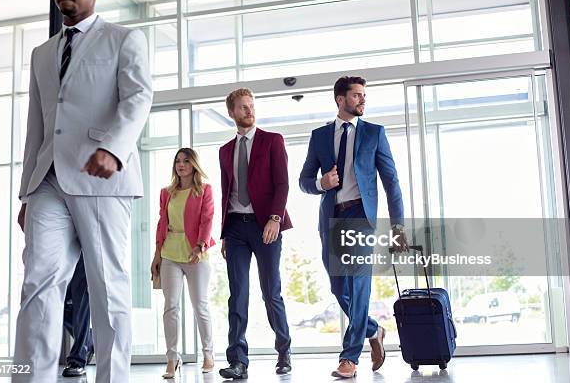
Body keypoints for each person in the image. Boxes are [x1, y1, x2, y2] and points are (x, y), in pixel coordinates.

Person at [13, 0, 152, 381]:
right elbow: (36, 128)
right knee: (38, 285)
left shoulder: (124, 39)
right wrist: (26, 193)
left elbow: (139, 97)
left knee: (107, 287)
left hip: (102, 178)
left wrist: (114, 148)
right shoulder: (41, 54)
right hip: (48, 182)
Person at [299, 76, 408, 378]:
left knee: (359, 285)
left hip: (361, 215)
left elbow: (392, 183)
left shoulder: (374, 133)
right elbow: (304, 181)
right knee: (338, 287)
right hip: (332, 217)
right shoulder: (320, 136)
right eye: (357, 95)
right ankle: (374, 331)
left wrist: (398, 228)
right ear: (340, 99)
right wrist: (321, 183)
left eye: (363, 95)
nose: (362, 100)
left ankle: (349, 357)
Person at [218, 88, 293, 379]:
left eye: (251, 105)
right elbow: (227, 193)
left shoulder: (272, 141)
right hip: (236, 227)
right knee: (237, 294)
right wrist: (225, 234)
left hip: (266, 225)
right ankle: (238, 361)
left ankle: (284, 352)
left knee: (270, 291)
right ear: (232, 113)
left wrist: (275, 218)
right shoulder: (225, 150)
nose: (249, 111)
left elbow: (282, 184)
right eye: (243, 107)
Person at [151, 148, 216, 379]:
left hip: (195, 254)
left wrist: (200, 247)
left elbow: (207, 219)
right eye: (178, 161)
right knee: (171, 306)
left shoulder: (204, 190)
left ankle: (208, 354)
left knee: (200, 305)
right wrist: (157, 254)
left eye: (186, 161)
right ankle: (172, 358)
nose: (181, 165)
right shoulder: (166, 193)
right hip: (170, 253)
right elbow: (161, 223)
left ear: (194, 165)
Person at [61, 254, 94, 377]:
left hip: (84, 249)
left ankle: (78, 360)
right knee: (57, 304)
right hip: (61, 249)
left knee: (81, 304)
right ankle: (89, 339)